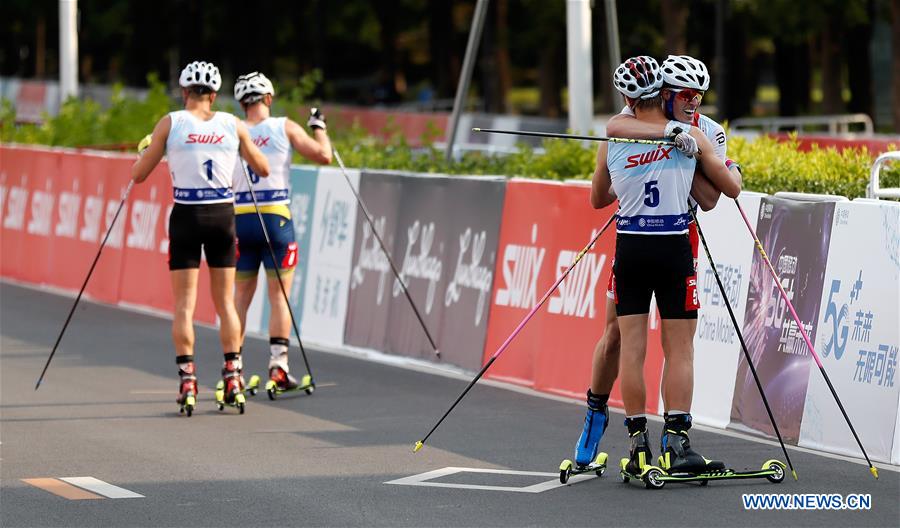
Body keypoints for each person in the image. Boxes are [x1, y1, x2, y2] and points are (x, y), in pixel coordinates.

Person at [571, 55, 743, 468]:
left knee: (671, 346)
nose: (693, 103)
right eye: (684, 95)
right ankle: (596, 421)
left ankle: (667, 441)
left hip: (669, 237)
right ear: (663, 94)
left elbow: (712, 197)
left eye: (699, 96)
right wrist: (674, 138)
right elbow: (614, 127)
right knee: (616, 338)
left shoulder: (707, 130)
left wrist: (699, 154)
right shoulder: (630, 124)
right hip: (656, 241)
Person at [131, 61, 270, 414]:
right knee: (225, 303)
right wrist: (238, 149)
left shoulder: (171, 122)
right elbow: (263, 169)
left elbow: (139, 175)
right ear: (213, 94)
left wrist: (145, 151)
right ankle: (233, 376)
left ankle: (188, 380)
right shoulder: (231, 124)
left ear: (184, 92)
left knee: (185, 305)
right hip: (223, 215)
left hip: (186, 216)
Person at [230, 71, 332, 392]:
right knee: (279, 297)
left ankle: (233, 370)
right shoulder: (283, 126)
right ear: (269, 99)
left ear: (242, 104)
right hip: (276, 219)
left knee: (239, 300)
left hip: (241, 218)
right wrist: (319, 127)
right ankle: (278, 367)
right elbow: (324, 156)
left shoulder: (230, 130)